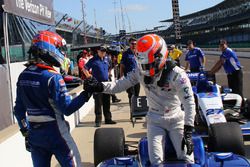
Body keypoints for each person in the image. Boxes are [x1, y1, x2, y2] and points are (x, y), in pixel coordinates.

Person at [84, 34, 196, 165]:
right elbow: (119, 84)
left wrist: (188, 130)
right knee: (155, 161)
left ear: (161, 56)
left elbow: (189, 102)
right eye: (143, 65)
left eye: (149, 64)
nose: (146, 69)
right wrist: (99, 86)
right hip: (155, 121)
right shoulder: (139, 71)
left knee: (187, 156)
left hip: (177, 119)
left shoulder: (178, 75)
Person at [13, 31, 92, 167]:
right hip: (56, 132)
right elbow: (67, 109)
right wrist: (86, 94)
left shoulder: (23, 76)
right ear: (49, 48)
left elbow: (19, 110)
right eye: (59, 48)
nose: (61, 52)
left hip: (34, 135)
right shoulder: (52, 77)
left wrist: (26, 132)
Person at [83, 45, 116, 127]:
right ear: (98, 51)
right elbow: (84, 68)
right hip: (97, 84)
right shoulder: (93, 60)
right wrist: (89, 77)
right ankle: (98, 121)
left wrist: (108, 74)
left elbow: (110, 67)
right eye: (101, 51)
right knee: (98, 103)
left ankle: (108, 119)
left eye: (104, 51)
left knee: (107, 102)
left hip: (106, 84)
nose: (103, 52)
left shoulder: (107, 58)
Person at [120, 37, 140, 106]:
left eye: (135, 44)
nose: (134, 45)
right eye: (132, 43)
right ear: (129, 44)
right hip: (129, 77)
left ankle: (137, 112)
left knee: (137, 94)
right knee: (131, 94)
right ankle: (132, 111)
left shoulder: (138, 53)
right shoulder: (125, 54)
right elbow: (122, 66)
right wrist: (121, 76)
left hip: (137, 77)